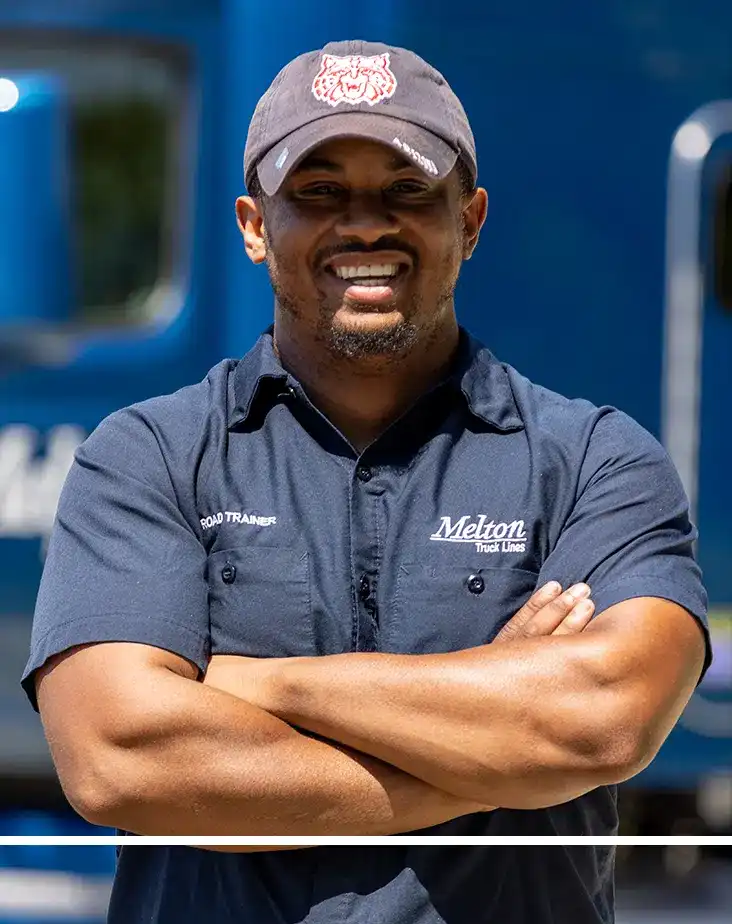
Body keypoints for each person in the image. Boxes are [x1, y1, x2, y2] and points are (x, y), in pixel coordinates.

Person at [24, 40, 710, 924]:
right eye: (319, 193)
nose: (366, 224)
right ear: (254, 225)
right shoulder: (146, 454)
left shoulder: (596, 462)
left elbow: (601, 722)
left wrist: (263, 683)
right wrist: (492, 736)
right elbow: (119, 758)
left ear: (469, 221)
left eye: (407, 190)